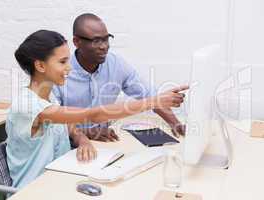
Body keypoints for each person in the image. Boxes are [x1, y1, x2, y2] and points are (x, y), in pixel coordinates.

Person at [6, 30, 187, 189]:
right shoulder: (28, 106)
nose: (69, 67)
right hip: (35, 190)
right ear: (40, 66)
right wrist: (154, 101)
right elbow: (92, 115)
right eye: (62, 62)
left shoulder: (49, 97)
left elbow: (65, 124)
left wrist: (81, 139)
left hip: (60, 178)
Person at [53, 13, 186, 142]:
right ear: (77, 41)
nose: (104, 46)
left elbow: (149, 96)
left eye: (106, 39)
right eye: (96, 41)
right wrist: (86, 133)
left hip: (105, 141)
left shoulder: (116, 64)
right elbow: (52, 120)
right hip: (70, 145)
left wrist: (176, 124)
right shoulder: (59, 72)